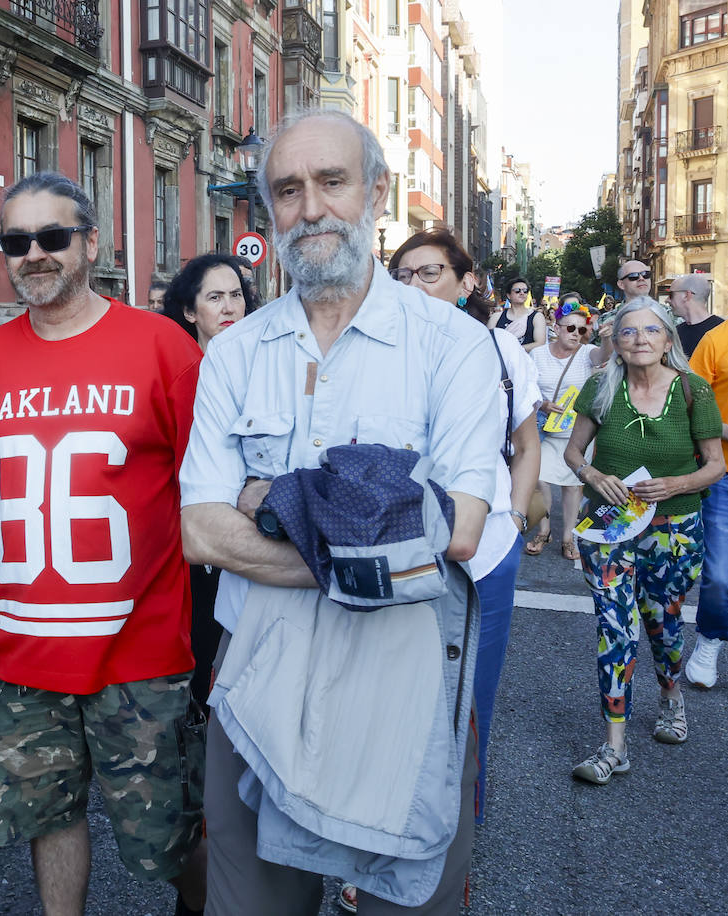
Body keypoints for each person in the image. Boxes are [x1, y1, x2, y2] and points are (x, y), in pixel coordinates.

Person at [180, 109, 499, 915]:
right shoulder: (233, 354)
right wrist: (370, 532)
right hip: (254, 681)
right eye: (288, 190)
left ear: (377, 192)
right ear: (269, 209)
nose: (311, 208)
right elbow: (198, 530)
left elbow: (454, 533)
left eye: (332, 182)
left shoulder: (453, 346)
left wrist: (268, 500)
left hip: (404, 688)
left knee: (410, 901)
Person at [0, 172, 208, 916]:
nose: (34, 254)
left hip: (139, 656)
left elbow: (210, 497)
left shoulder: (164, 349)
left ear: (90, 244)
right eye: (16, 242)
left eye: (52, 237)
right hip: (19, 653)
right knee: (47, 819)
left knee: (170, 836)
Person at [388, 227, 541, 824]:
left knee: (472, 694)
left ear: (465, 282)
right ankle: (385, 834)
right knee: (396, 691)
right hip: (401, 542)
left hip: (489, 548)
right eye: (402, 275)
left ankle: (456, 836)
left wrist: (519, 512)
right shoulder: (377, 349)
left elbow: (526, 446)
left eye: (430, 273)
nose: (414, 286)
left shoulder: (502, 352)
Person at [564, 297, 724, 784]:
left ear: (668, 339)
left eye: (651, 331)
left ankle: (671, 695)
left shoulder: (693, 390)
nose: (640, 340)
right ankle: (615, 746)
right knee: (614, 628)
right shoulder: (602, 386)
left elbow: (715, 465)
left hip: (673, 528)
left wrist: (675, 484)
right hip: (611, 525)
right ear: (616, 340)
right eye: (629, 332)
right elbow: (572, 453)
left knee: (662, 624)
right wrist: (594, 473)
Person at [160, 252, 253, 709]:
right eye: (214, 297)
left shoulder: (262, 364)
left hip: (251, 531)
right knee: (195, 647)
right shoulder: (179, 372)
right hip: (188, 537)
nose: (229, 307)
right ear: (190, 311)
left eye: (236, 295)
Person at [684, 261, 728, 691]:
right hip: (727, 475)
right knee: (722, 574)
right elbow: (688, 400)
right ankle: (709, 638)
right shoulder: (718, 339)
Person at [526, 301, 607, 560]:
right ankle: (544, 530)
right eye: (570, 327)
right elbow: (527, 388)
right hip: (544, 428)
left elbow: (604, 357)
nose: (576, 334)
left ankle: (568, 537)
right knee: (538, 479)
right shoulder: (537, 355)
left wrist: (607, 340)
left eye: (582, 330)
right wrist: (543, 404)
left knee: (573, 484)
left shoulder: (588, 352)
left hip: (577, 431)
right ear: (556, 328)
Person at [489, 276, 547, 351]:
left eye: (525, 290)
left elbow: (540, 343)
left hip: (527, 361)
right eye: (517, 290)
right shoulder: (496, 317)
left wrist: (513, 350)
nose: (522, 293)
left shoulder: (537, 317)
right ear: (508, 295)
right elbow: (489, 342)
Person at [670, 274, 721, 356]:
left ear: (687, 295)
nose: (667, 300)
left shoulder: (723, 332)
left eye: (671, 295)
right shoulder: (675, 333)